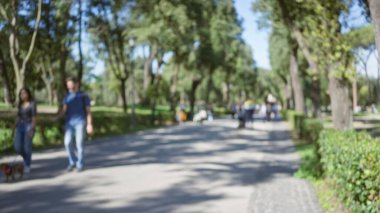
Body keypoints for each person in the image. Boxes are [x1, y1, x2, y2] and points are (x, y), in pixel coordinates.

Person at [55, 77, 93, 172]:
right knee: (67, 143)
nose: (69, 87)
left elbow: (88, 111)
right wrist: (56, 117)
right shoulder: (67, 97)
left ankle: (80, 164)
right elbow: (64, 110)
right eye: (68, 86)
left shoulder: (83, 96)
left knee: (79, 143)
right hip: (69, 124)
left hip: (80, 122)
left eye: (71, 85)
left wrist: (89, 124)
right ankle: (72, 162)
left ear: (76, 84)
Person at [14, 87, 37, 174]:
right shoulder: (20, 104)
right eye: (21, 94)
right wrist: (15, 125)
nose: (22, 95)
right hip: (20, 126)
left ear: (28, 94)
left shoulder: (32, 104)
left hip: (29, 126)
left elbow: (34, 118)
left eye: (24, 93)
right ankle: (27, 158)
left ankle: (27, 164)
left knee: (27, 147)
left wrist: (32, 129)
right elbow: (18, 116)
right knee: (17, 147)